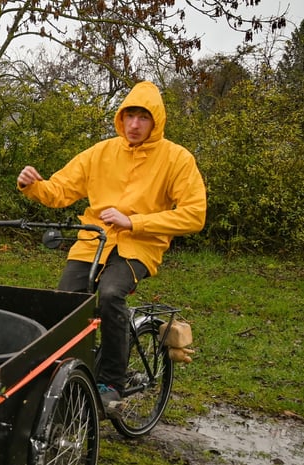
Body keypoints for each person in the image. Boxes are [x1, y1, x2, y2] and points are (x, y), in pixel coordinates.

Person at [16, 80, 206, 410]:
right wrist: (34, 186)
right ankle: (68, 376)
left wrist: (136, 222)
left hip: (139, 247)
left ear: (156, 121)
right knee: (65, 303)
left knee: (109, 294)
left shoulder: (177, 159)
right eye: (129, 116)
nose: (134, 124)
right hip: (93, 243)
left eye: (143, 118)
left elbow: (194, 215)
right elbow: (60, 190)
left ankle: (111, 383)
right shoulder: (101, 153)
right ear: (121, 118)